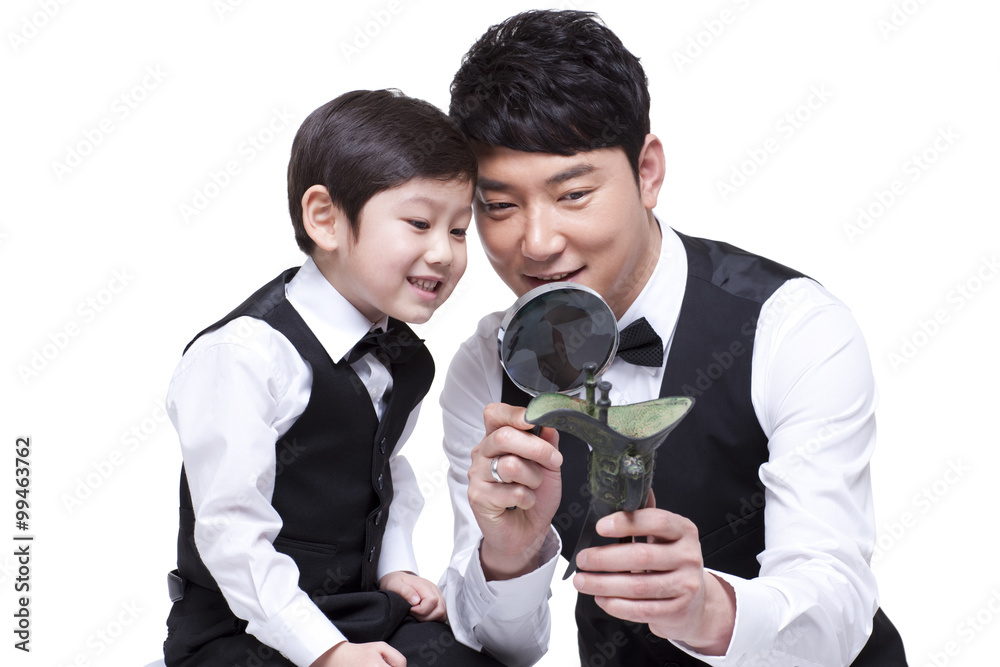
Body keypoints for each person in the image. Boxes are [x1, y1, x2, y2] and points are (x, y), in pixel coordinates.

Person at [439, 10, 908, 666]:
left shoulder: (792, 327)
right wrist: (507, 555)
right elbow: (498, 647)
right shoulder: (485, 369)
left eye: (573, 193)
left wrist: (706, 608)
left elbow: (838, 604)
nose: (538, 243)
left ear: (648, 171)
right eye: (499, 206)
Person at [162, 89, 501, 667]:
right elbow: (230, 531)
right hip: (241, 629)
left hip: (358, 608)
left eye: (458, 230)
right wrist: (327, 653)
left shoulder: (400, 356)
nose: (443, 253)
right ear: (325, 218)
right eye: (419, 223)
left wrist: (395, 566)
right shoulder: (247, 354)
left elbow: (383, 469)